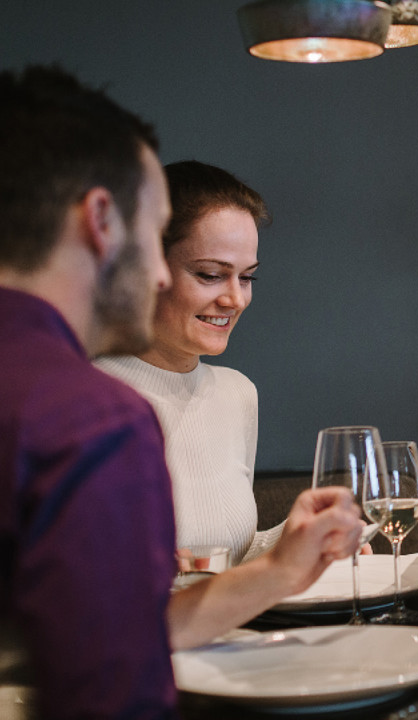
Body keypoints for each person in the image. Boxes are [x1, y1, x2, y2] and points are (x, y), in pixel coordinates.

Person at [0, 65, 364, 719]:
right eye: (153, 228)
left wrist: (282, 562)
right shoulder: (90, 415)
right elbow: (111, 686)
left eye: (247, 277)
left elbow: (118, 624)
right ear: (101, 220)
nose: (158, 276)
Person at [96, 160, 276, 565]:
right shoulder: (86, 401)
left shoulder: (237, 393)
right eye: (210, 274)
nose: (235, 299)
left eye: (247, 277)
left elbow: (225, 559)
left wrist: (298, 542)